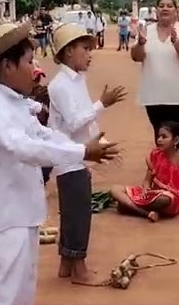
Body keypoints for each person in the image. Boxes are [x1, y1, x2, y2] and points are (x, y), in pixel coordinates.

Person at [0, 22, 120, 305]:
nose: (34, 69)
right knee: (7, 301)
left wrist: (79, 149)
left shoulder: (12, 102)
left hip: (20, 212)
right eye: (28, 61)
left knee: (20, 299)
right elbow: (24, 147)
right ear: (7, 67)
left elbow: (44, 135)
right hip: (4, 217)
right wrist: (82, 150)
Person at [46, 23, 128, 284]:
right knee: (78, 212)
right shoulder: (60, 84)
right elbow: (73, 121)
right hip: (70, 157)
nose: (89, 54)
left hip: (79, 154)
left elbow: (81, 119)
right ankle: (79, 268)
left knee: (73, 211)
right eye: (85, 48)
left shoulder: (75, 80)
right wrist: (102, 103)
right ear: (69, 52)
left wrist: (98, 139)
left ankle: (66, 263)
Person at [131, 0, 179, 153]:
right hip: (153, 95)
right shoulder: (147, 31)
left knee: (178, 134)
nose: (165, 8)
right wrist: (140, 44)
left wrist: (176, 43)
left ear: (176, 11)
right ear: (156, 10)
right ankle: (164, 173)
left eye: (169, 6)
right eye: (161, 6)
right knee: (160, 135)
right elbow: (136, 57)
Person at [108, 121, 179, 221]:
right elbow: (147, 179)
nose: (159, 140)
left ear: (176, 140)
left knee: (164, 200)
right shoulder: (155, 154)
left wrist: (163, 193)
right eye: (158, 136)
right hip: (152, 194)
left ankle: (128, 206)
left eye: (164, 137)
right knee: (115, 189)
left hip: (170, 198)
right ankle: (145, 213)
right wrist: (145, 189)